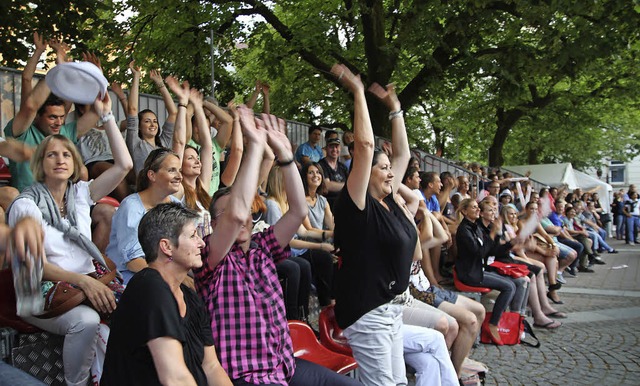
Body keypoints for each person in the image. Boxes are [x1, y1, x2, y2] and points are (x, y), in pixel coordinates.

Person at [194, 106, 360, 386]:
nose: (241, 217)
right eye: (231, 213)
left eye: (247, 209)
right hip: (246, 376)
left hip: (285, 366)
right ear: (214, 224)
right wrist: (256, 146)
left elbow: (297, 211)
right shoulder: (209, 258)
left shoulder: (263, 247)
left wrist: (285, 158)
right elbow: (234, 215)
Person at [7, 92, 132, 386]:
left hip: (84, 284)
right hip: (41, 292)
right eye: (51, 154)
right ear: (40, 163)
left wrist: (107, 116)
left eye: (66, 154)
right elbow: (32, 267)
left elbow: (124, 165)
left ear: (75, 163)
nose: (60, 159)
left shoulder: (80, 195)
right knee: (86, 322)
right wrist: (84, 281)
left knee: (137, 305)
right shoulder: (25, 204)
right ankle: (77, 383)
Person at [331, 64, 419, 385]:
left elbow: (404, 154)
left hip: (391, 309)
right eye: (383, 168)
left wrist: (396, 110)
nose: (391, 172)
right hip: (368, 312)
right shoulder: (357, 204)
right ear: (367, 172)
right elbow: (365, 148)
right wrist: (357, 91)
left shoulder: (388, 199)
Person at [101, 203, 232, 386]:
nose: (201, 243)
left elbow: (211, 367)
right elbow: (174, 377)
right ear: (167, 247)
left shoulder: (190, 296)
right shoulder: (148, 287)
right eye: (193, 235)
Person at [455, 198, 527, 346]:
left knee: (516, 283)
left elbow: (492, 251)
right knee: (509, 287)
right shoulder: (464, 230)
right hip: (470, 274)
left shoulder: (474, 227)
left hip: (478, 270)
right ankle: (493, 323)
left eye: (477, 207)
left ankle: (512, 319)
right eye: (474, 208)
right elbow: (479, 253)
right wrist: (493, 234)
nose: (477, 210)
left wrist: (510, 243)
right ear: (464, 211)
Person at [106, 148, 183, 284]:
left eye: (179, 170)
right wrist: (173, 278)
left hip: (164, 272)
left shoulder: (176, 205)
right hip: (128, 276)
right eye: (172, 170)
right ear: (152, 175)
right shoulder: (131, 206)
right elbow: (133, 261)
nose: (179, 176)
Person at [125, 62, 177, 175]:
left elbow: (173, 113)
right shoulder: (136, 143)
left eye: (155, 121)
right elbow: (132, 109)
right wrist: (136, 77)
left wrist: (160, 84)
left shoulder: (163, 143)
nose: (153, 125)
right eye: (147, 121)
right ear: (139, 126)